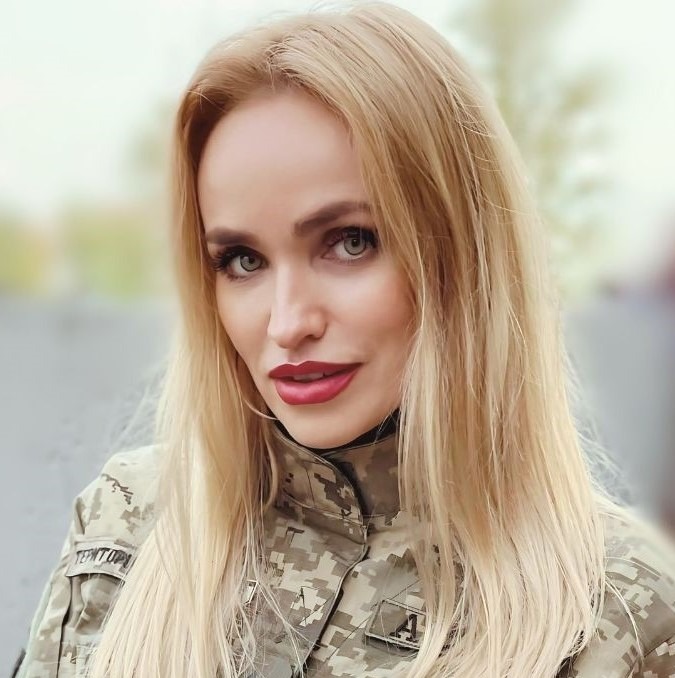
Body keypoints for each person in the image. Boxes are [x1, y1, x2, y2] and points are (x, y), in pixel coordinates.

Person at [15, 2, 675, 677]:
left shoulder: (622, 611)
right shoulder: (126, 522)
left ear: (462, 252)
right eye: (242, 259)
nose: (286, 322)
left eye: (350, 242)